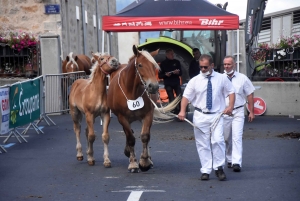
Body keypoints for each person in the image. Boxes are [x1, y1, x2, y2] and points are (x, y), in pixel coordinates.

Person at [178, 54, 235, 181]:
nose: (203, 69)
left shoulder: (221, 78)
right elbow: (186, 97)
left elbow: (231, 92)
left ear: (212, 65)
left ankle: (219, 168)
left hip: (217, 115)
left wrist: (230, 107)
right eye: (201, 67)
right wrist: (182, 111)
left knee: (218, 141)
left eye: (205, 67)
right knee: (202, 144)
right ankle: (206, 170)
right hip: (200, 115)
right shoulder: (195, 80)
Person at [223, 55, 255, 172]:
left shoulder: (243, 78)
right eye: (225, 64)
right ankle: (229, 158)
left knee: (237, 137)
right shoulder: (220, 78)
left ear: (234, 65)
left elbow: (250, 94)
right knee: (225, 138)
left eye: (229, 64)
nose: (226, 66)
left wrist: (251, 111)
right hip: (225, 112)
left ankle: (237, 162)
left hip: (238, 111)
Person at [158, 48, 182, 114]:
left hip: (176, 82)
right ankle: (173, 110)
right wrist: (166, 75)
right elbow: (160, 75)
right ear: (167, 55)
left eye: (173, 54)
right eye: (171, 54)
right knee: (171, 97)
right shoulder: (163, 64)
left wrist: (177, 72)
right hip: (168, 83)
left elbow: (181, 73)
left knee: (179, 96)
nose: (173, 55)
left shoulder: (177, 62)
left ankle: (180, 110)